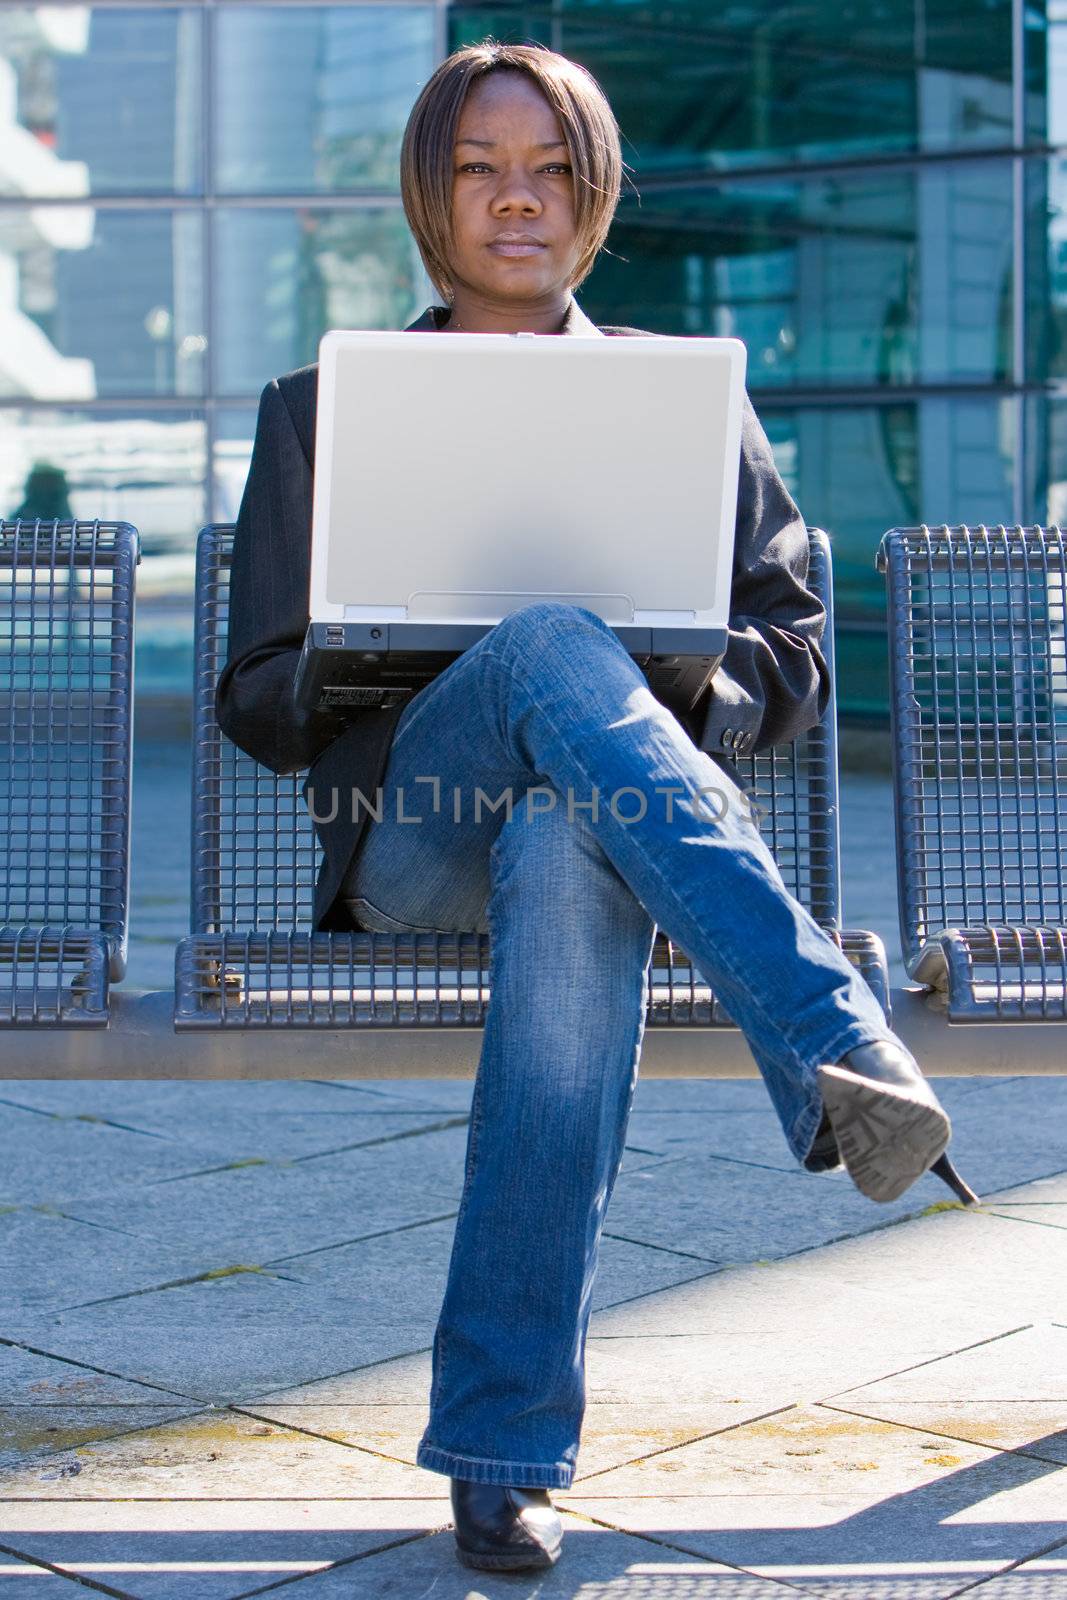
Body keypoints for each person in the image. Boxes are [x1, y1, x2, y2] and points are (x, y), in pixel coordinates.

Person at [215, 39, 976, 1576]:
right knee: (547, 635)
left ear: (595, 196)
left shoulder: (681, 402)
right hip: (418, 831)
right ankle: (831, 1038)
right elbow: (254, 694)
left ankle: (502, 1456)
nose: (519, 198)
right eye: (484, 167)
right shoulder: (323, 409)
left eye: (551, 169)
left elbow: (794, 646)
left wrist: (673, 689)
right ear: (433, 193)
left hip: (599, 834)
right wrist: (390, 640)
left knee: (573, 837)